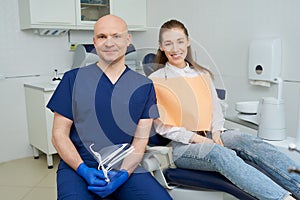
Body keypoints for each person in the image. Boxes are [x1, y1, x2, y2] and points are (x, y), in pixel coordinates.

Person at [149, 19, 300, 200]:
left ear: (188, 41)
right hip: (181, 147)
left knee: (246, 140)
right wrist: (199, 140)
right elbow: (162, 127)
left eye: (180, 41)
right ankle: (282, 198)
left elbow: (215, 108)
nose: (175, 48)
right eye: (168, 43)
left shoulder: (201, 74)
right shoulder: (155, 81)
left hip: (211, 134)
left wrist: (216, 132)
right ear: (161, 47)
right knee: (219, 153)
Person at [47, 14, 172, 200]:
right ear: (94, 42)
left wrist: (124, 174)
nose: (109, 42)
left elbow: (139, 141)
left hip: (124, 167)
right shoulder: (72, 80)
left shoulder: (144, 86)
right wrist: (83, 170)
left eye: (116, 36)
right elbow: (59, 135)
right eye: (102, 36)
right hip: (78, 166)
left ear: (128, 39)